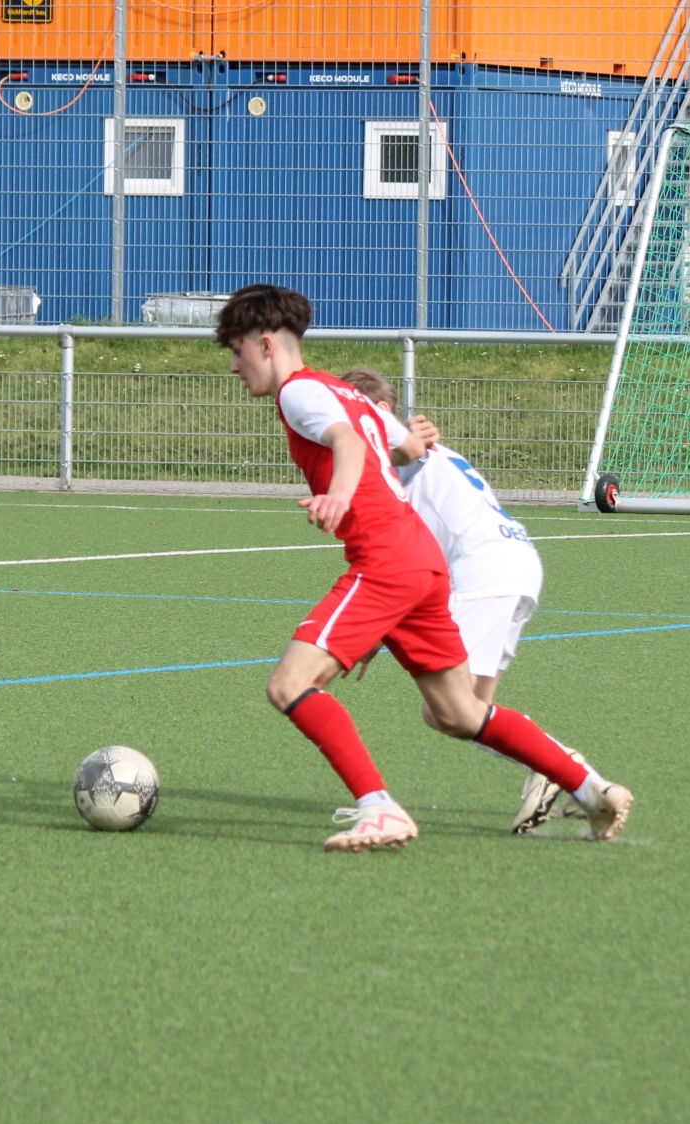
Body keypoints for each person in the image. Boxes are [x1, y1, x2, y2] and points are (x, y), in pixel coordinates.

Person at [214, 283, 632, 850]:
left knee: (290, 684)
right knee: (459, 713)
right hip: (424, 563)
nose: (235, 366)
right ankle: (592, 789)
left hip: (386, 558)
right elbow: (408, 449)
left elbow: (346, 442)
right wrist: (406, 441)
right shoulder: (348, 393)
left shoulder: (298, 393)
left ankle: (379, 808)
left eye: (237, 350)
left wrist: (338, 495)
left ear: (266, 344)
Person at [340, 366, 587, 835]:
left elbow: (397, 561)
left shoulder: (397, 457)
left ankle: (565, 772)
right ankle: (561, 773)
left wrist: (371, 630)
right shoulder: (415, 452)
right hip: (515, 565)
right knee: (465, 712)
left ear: (382, 413)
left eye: (349, 414)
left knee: (448, 710)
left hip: (484, 572)